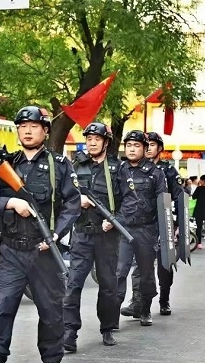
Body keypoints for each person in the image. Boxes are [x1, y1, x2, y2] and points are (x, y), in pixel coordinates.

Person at [0, 106, 80, 363]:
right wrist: (11, 202)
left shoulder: (59, 165)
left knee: (51, 310)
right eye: (22, 126)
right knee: (2, 306)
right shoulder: (8, 165)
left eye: (33, 126)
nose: (27, 131)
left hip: (44, 251)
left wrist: (56, 234)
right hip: (13, 250)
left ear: (44, 130)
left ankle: (52, 358)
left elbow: (72, 203)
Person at [63, 121, 121, 351]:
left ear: (106, 142)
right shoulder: (76, 166)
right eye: (89, 139)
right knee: (73, 283)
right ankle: (69, 332)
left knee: (108, 285)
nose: (92, 142)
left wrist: (115, 221)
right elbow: (64, 197)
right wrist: (78, 200)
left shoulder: (117, 168)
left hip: (107, 236)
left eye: (97, 139)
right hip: (82, 235)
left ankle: (107, 328)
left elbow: (129, 202)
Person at [123, 132, 184, 317]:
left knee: (165, 266)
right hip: (142, 226)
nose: (148, 148)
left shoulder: (168, 171)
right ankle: (138, 302)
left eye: (151, 144)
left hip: (164, 224)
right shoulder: (132, 169)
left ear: (160, 148)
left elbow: (180, 198)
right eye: (145, 144)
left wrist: (179, 225)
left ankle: (164, 299)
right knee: (140, 265)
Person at [116, 130, 166, 326]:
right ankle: (112, 313)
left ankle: (145, 308)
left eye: (136, 146)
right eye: (129, 145)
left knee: (145, 273)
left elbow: (163, 204)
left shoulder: (156, 173)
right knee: (119, 272)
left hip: (147, 230)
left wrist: (164, 233)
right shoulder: (119, 171)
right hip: (123, 229)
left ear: (145, 149)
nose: (132, 149)